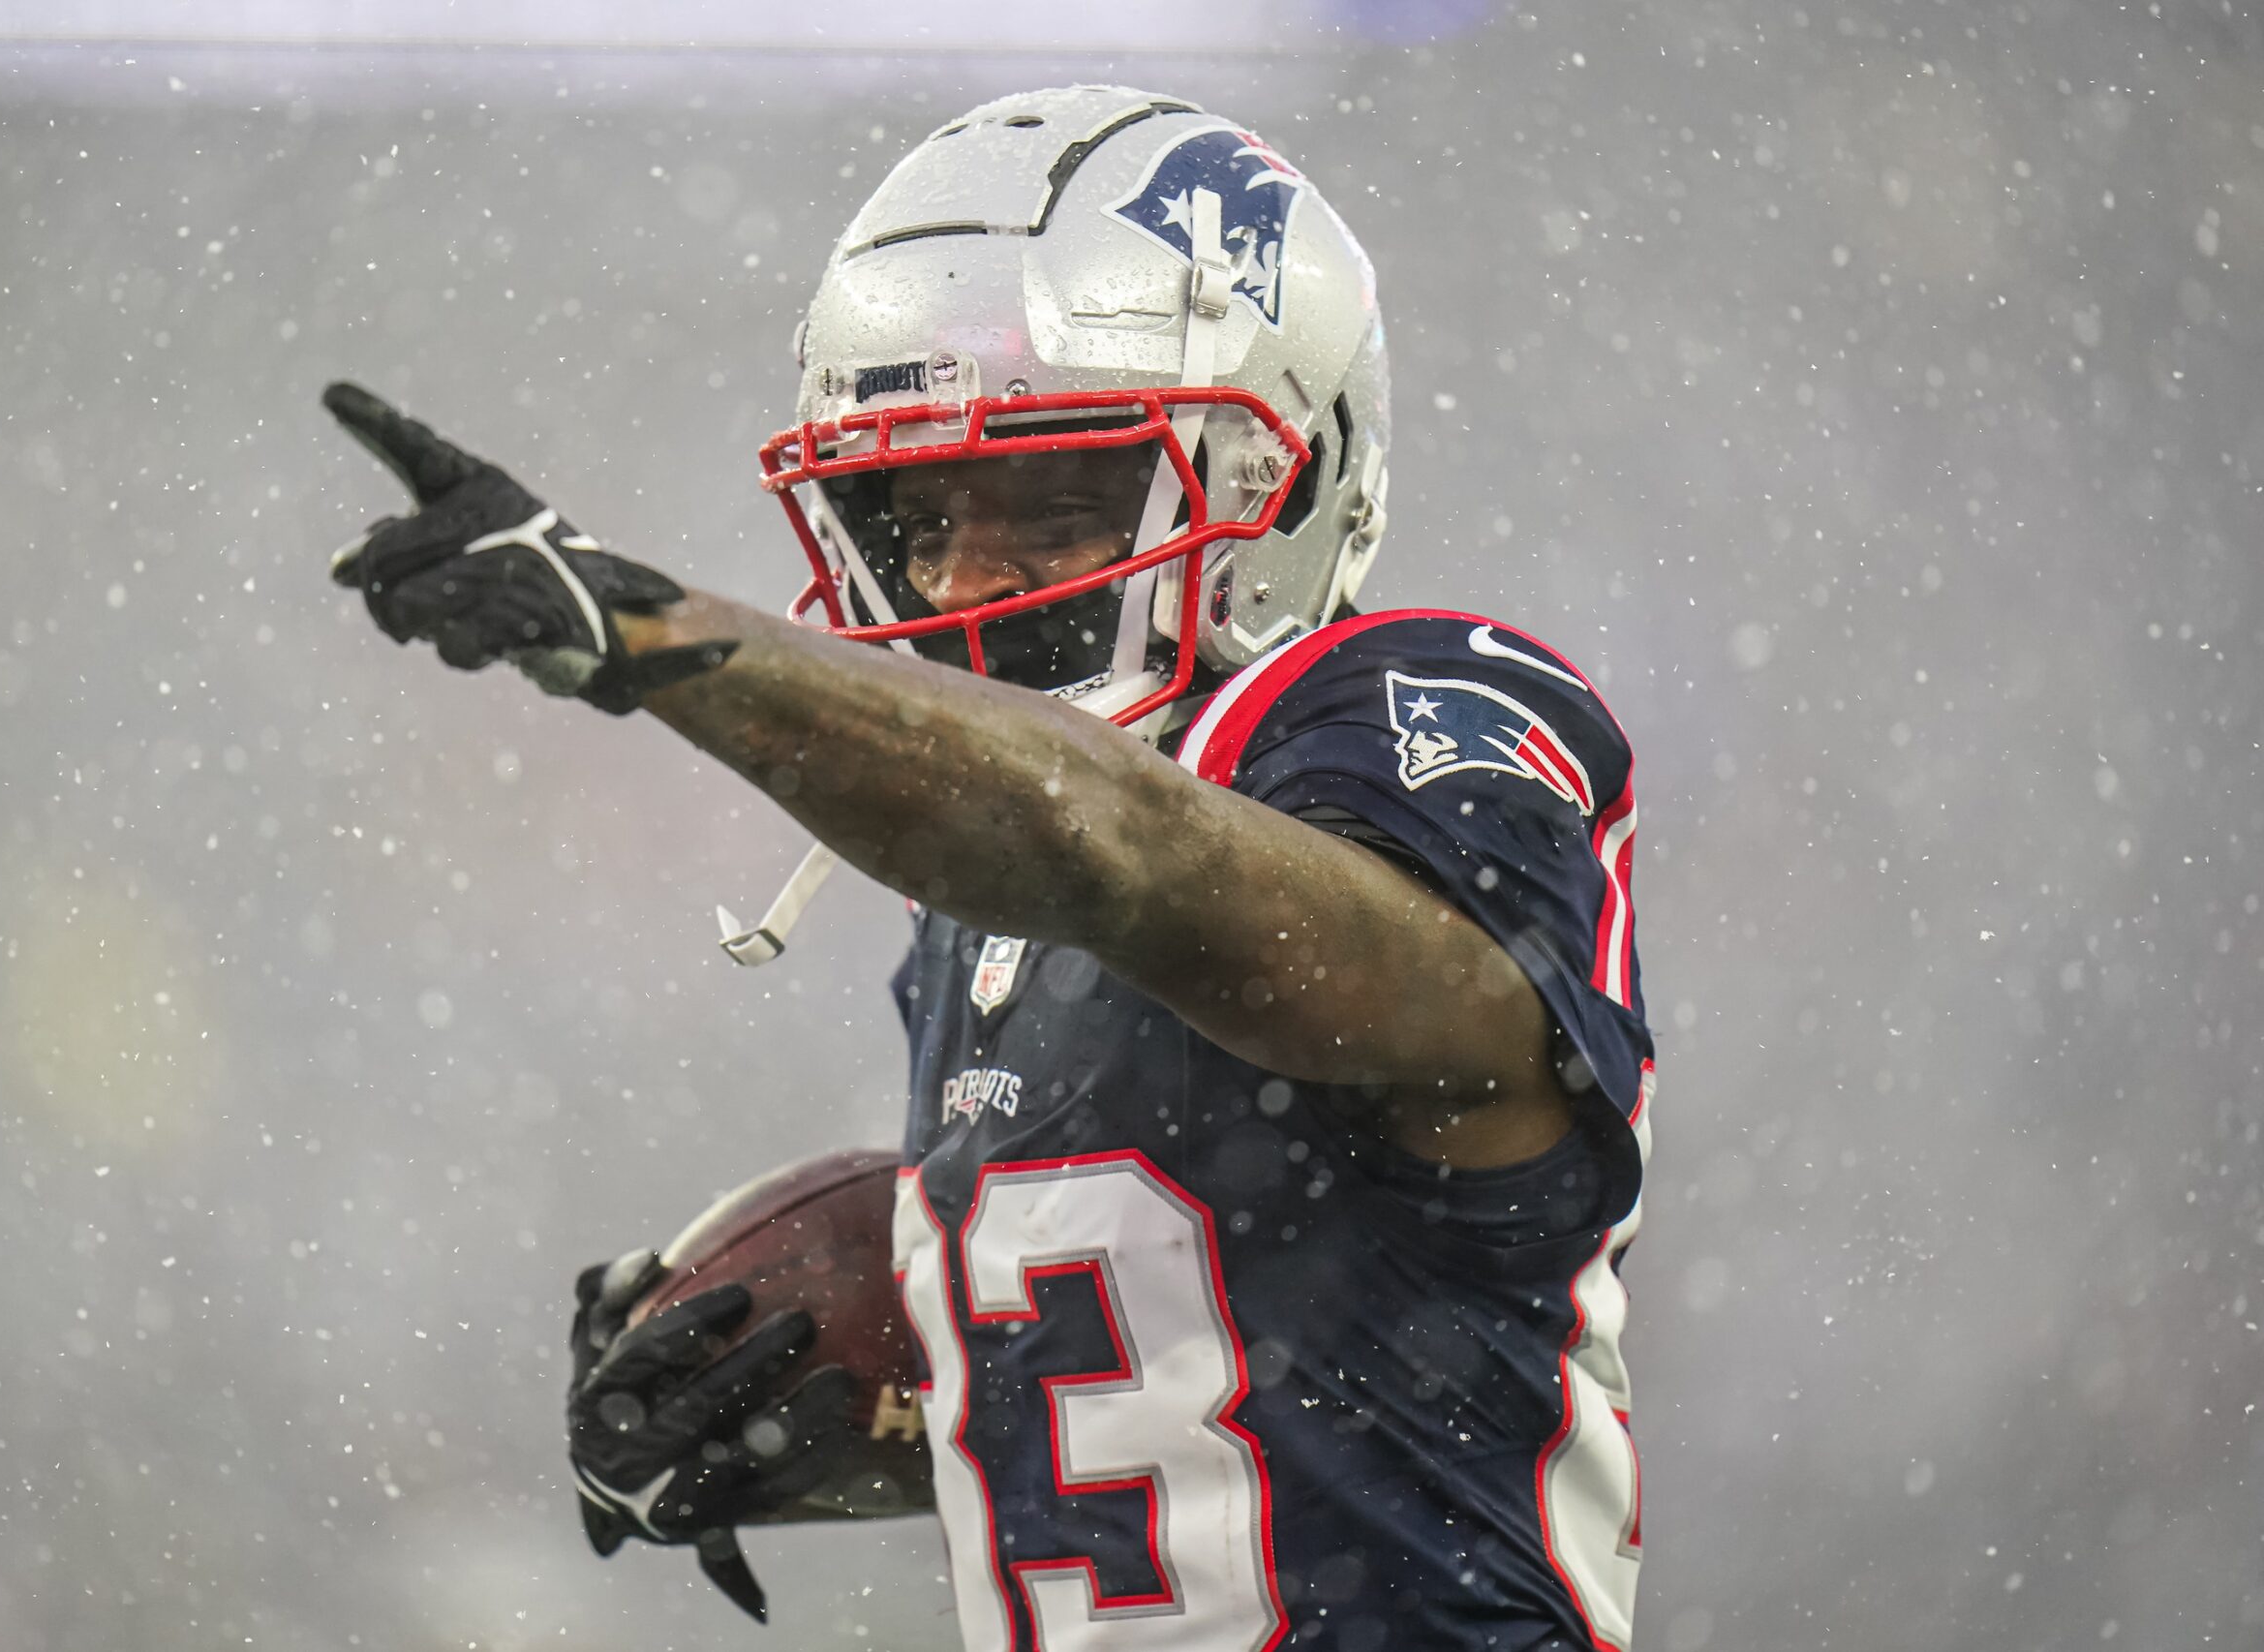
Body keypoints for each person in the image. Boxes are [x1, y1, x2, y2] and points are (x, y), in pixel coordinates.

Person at [324, 84, 1655, 1652]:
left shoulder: (1419, 715)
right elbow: (1213, 1317)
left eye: (1059, 496)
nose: (967, 574)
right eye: (921, 511)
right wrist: (848, 1353)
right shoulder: (986, 890)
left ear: (1273, 483)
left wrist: (657, 632)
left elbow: (1143, 862)